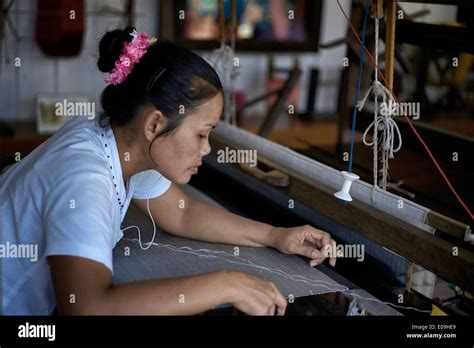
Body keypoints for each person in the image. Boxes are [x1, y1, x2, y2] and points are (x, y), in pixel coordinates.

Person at [0, 27, 336, 316]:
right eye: (202, 134)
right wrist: (225, 285)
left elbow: (183, 213)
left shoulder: (114, 139)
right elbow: (88, 308)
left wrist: (277, 236)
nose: (206, 149)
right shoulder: (85, 180)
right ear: (155, 123)